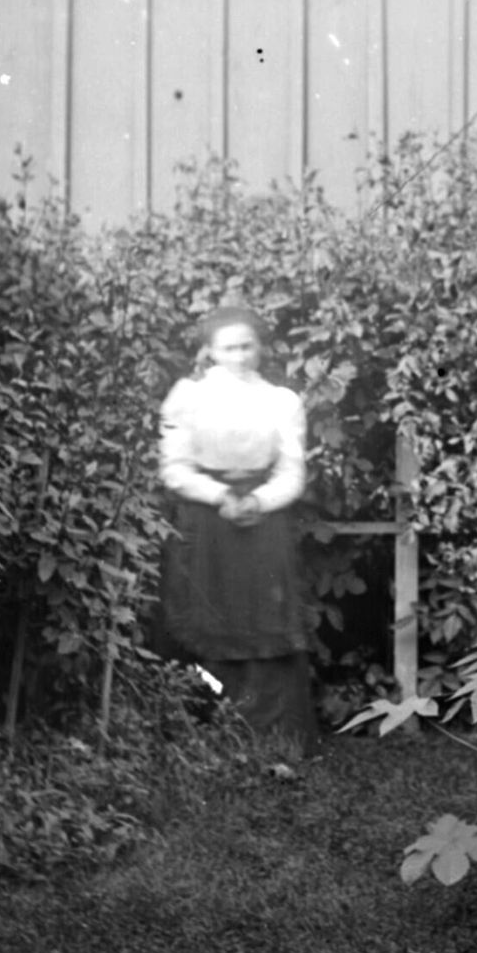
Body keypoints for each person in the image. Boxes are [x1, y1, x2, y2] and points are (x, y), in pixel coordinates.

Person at [157, 304, 316, 757]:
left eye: (247, 346)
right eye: (229, 348)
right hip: (206, 522)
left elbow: (292, 472)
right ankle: (206, 736)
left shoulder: (281, 401)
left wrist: (258, 501)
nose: (240, 356)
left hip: (264, 523)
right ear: (210, 350)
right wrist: (220, 497)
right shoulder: (187, 396)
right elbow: (174, 468)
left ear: (260, 348)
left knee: (265, 618)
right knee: (207, 617)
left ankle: (274, 738)